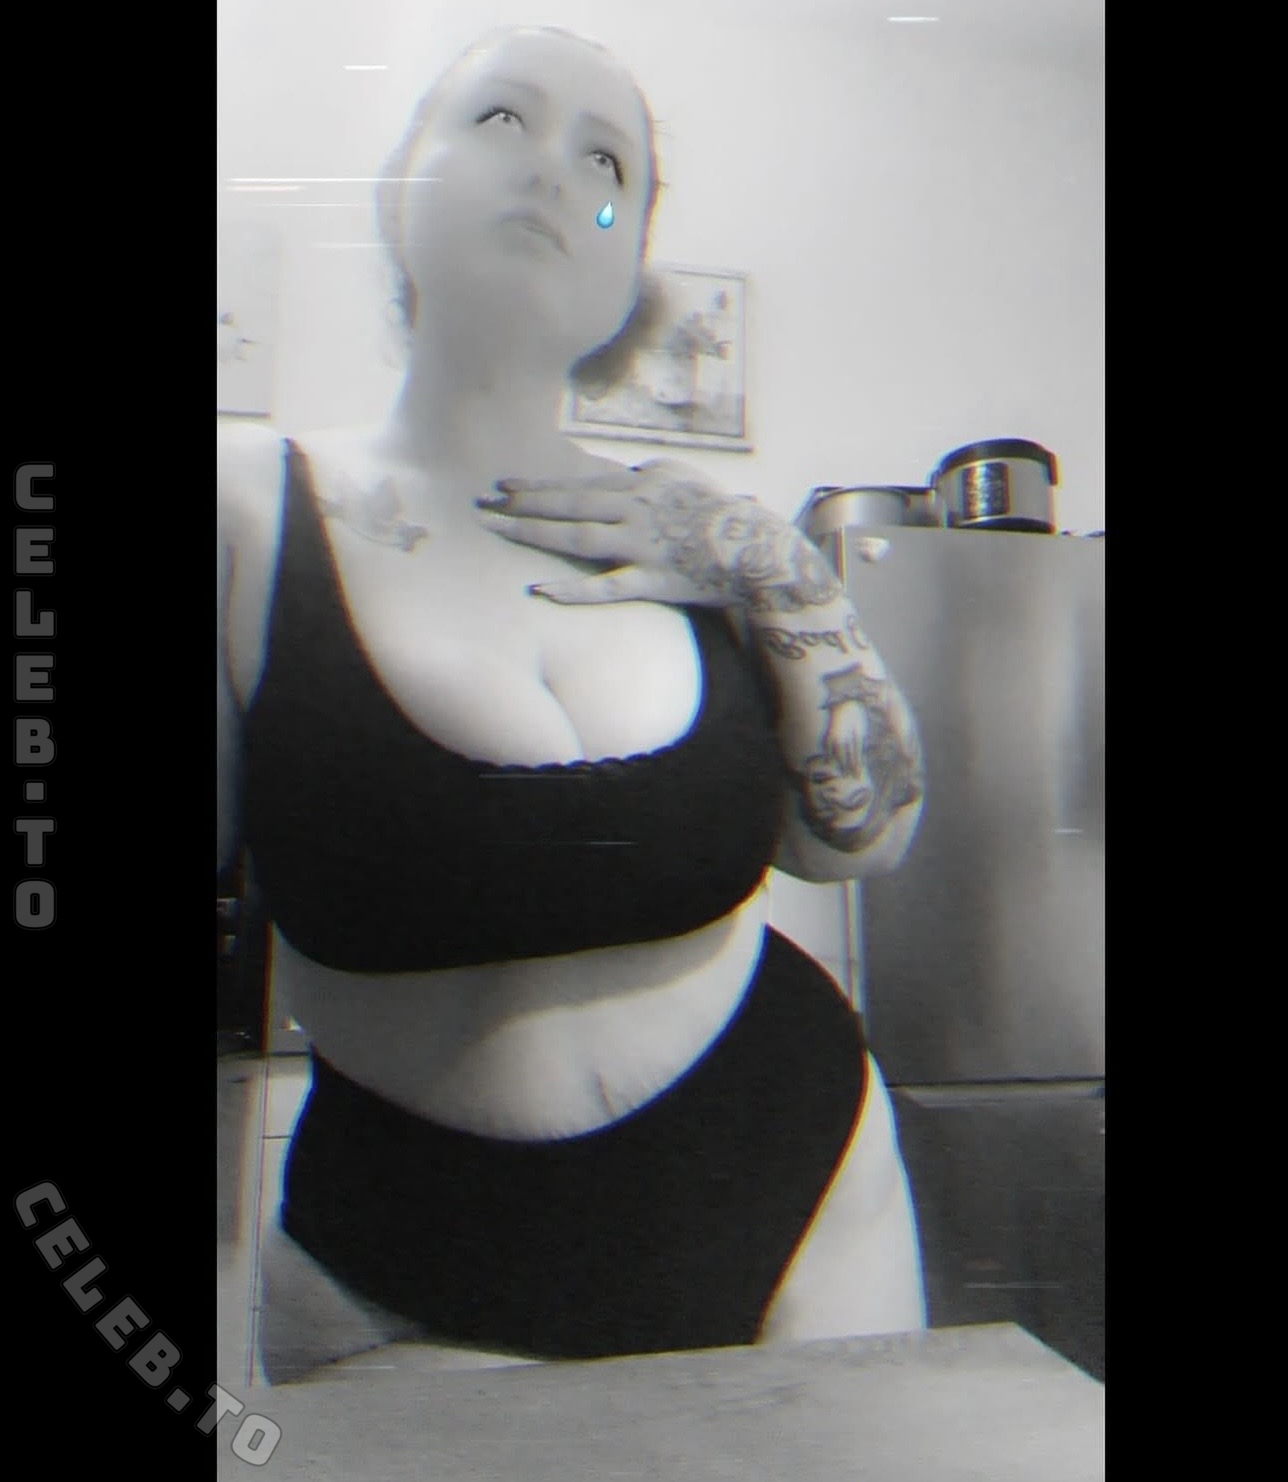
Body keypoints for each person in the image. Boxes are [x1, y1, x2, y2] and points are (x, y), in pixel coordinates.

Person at [217, 24, 929, 1384]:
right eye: (500, 120)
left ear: (629, 270)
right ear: (398, 186)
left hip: (806, 1187)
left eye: (608, 164)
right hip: (414, 1272)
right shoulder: (249, 505)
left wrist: (767, 560)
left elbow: (864, 840)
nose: (554, 170)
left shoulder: (708, 532)